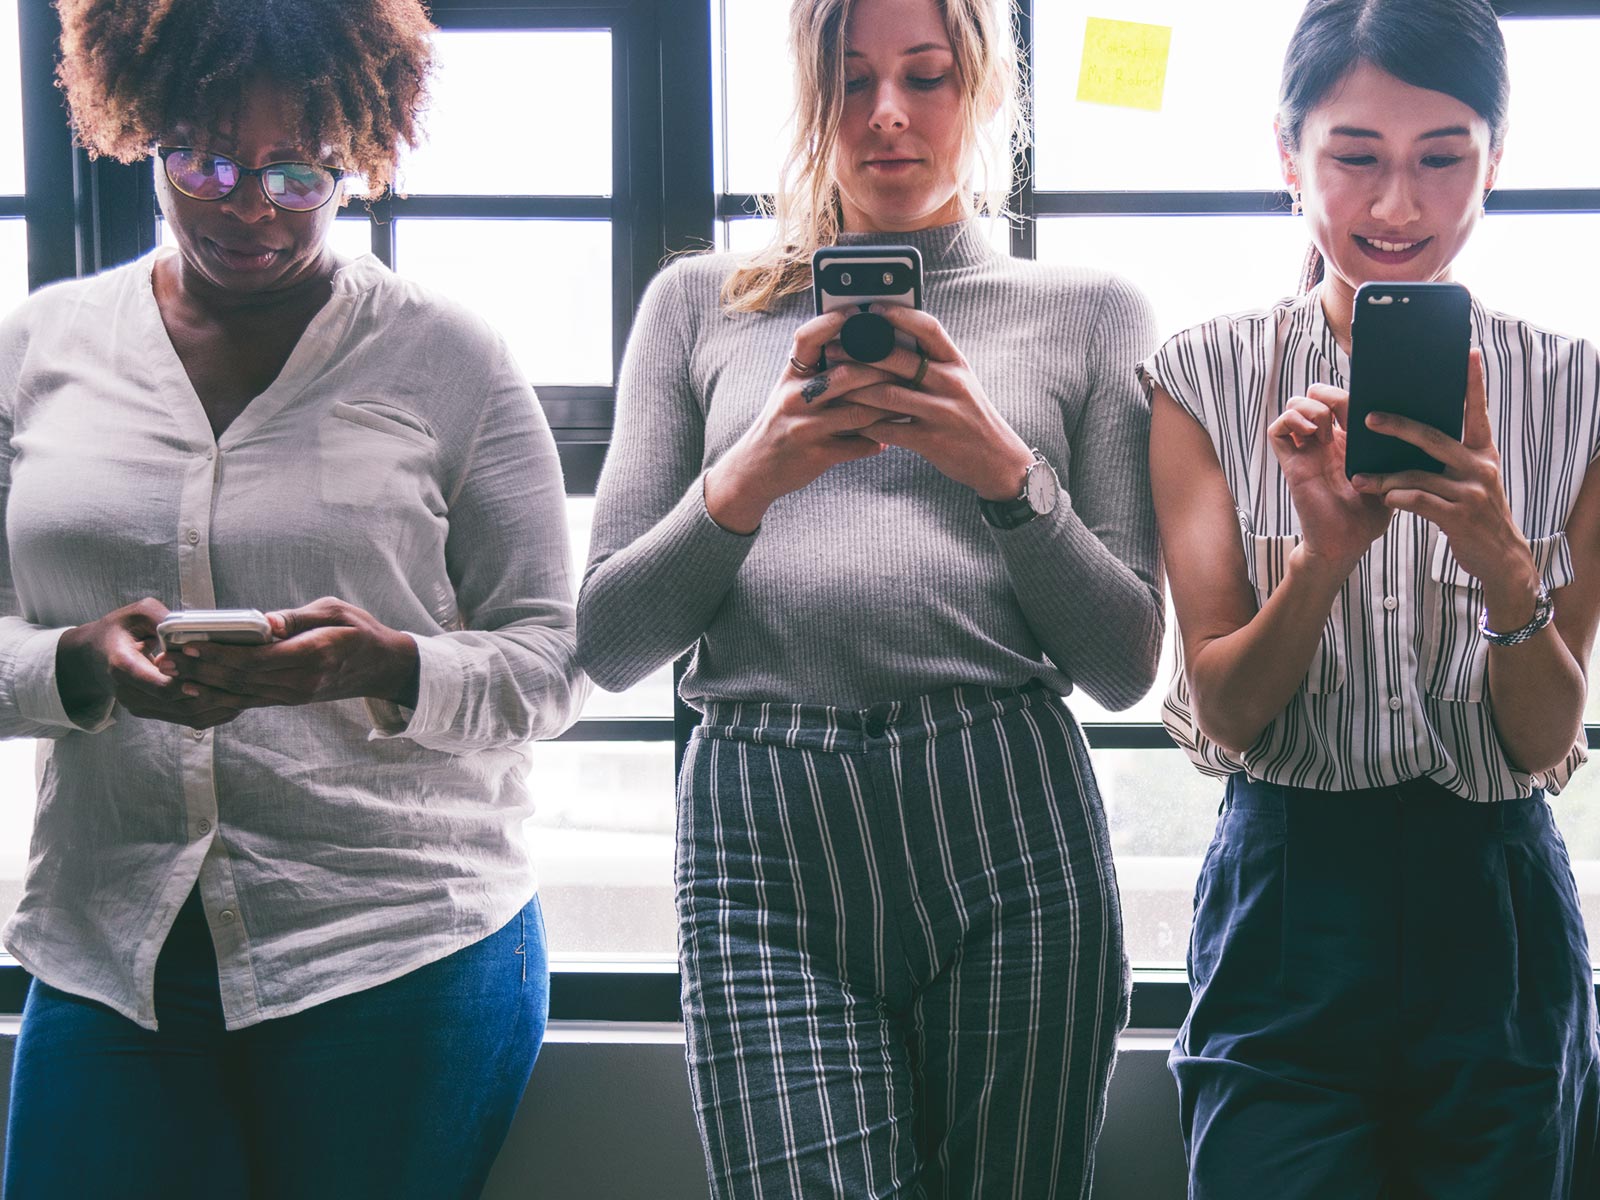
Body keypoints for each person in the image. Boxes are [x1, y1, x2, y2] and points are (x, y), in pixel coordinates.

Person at [0, 2, 588, 1197]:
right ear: (140, 129)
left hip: (398, 946)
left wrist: (388, 668)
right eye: (204, 160)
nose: (250, 204)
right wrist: (73, 664)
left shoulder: (449, 357)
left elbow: (558, 658)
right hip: (112, 943)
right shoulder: (37, 348)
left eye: (297, 169)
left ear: (356, 153)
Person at [577, 0, 1162, 1193]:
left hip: (1006, 814)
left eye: (926, 77)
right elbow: (609, 638)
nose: (888, 115)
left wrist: (1005, 473)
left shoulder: (1091, 313)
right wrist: (748, 478)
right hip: (762, 827)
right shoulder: (699, 303)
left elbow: (1122, 662)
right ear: (807, 97)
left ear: (985, 93)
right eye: (849, 82)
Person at [1142, 0, 1600, 1195]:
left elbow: (1547, 738)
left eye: (1442, 158)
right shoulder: (1202, 374)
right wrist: (1323, 557)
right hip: (1290, 886)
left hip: (1494, 894)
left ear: (1495, 162)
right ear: (1287, 159)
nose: (1398, 206)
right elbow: (1226, 716)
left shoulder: (1581, 391)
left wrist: (1503, 559)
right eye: (1355, 157)